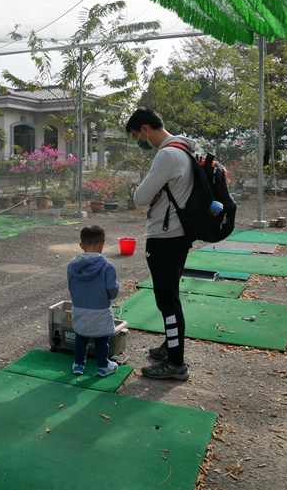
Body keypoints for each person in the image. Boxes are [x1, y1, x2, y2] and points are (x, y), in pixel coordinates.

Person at [125, 106, 193, 381]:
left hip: (165, 236)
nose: (140, 142)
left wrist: (142, 193)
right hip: (179, 234)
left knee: (168, 300)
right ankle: (171, 345)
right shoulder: (185, 149)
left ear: (145, 128)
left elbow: (140, 197)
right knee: (169, 296)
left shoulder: (167, 154)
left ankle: (176, 363)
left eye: (137, 136)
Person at [67, 225, 119, 377]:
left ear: (81, 244)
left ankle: (78, 364)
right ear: (102, 244)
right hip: (100, 309)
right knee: (102, 338)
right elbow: (112, 291)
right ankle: (103, 366)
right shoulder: (107, 266)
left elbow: (71, 286)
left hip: (79, 307)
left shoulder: (72, 265)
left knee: (81, 335)